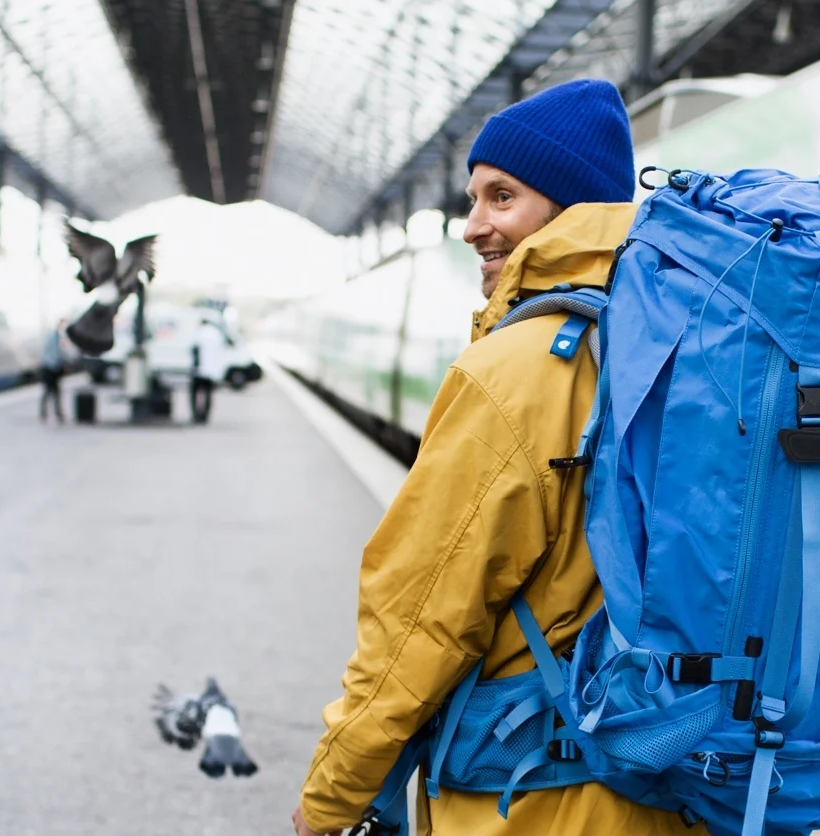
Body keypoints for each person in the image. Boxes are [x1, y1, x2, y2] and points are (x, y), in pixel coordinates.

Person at [294, 79, 696, 836]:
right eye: (473, 199)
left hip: (534, 800)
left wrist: (330, 797)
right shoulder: (684, 348)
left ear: (570, 209)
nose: (474, 226)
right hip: (673, 787)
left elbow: (419, 622)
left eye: (501, 197)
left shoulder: (516, 370)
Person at [189, 315, 225, 425]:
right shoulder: (217, 334)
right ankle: (205, 416)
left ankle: (196, 415)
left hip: (199, 370)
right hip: (212, 371)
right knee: (208, 394)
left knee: (195, 393)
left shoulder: (198, 334)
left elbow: (194, 351)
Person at [40, 318, 68, 424]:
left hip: (54, 367)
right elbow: (57, 353)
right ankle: (48, 413)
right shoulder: (53, 337)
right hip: (50, 367)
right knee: (49, 392)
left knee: (54, 392)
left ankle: (56, 414)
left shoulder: (57, 337)